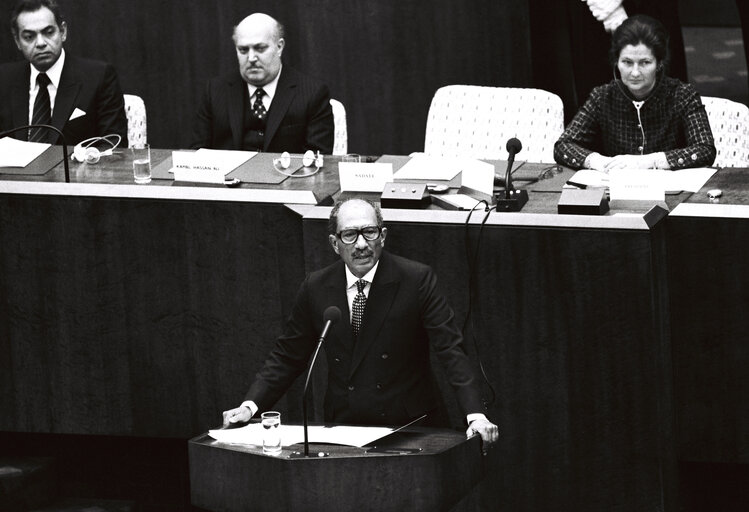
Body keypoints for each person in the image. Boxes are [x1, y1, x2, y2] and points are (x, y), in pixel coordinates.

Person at [222, 198, 499, 451]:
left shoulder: (416, 280)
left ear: (383, 236)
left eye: (370, 232)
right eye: (350, 235)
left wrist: (475, 415)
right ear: (335, 243)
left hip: (410, 427)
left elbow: (451, 350)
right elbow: (287, 356)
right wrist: (250, 406)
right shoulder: (316, 286)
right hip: (344, 426)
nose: (362, 244)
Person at [554, 15, 716, 171]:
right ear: (616, 62)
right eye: (627, 62)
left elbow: (705, 149)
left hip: (668, 190)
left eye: (645, 62)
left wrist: (650, 161)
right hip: (616, 190)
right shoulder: (602, 97)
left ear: (659, 64)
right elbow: (563, 145)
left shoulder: (682, 95)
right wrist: (597, 161)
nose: (635, 72)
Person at [190, 13, 334, 154]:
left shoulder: (312, 93)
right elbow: (196, 154)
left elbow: (318, 161)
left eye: (260, 48)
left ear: (279, 47)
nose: (251, 58)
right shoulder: (214, 91)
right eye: (243, 50)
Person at [0, 0, 127, 146]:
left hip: (78, 168)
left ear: (63, 32)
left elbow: (114, 144)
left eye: (48, 32)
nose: (40, 43)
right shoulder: (4, 79)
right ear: (17, 41)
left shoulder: (99, 76)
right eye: (29, 37)